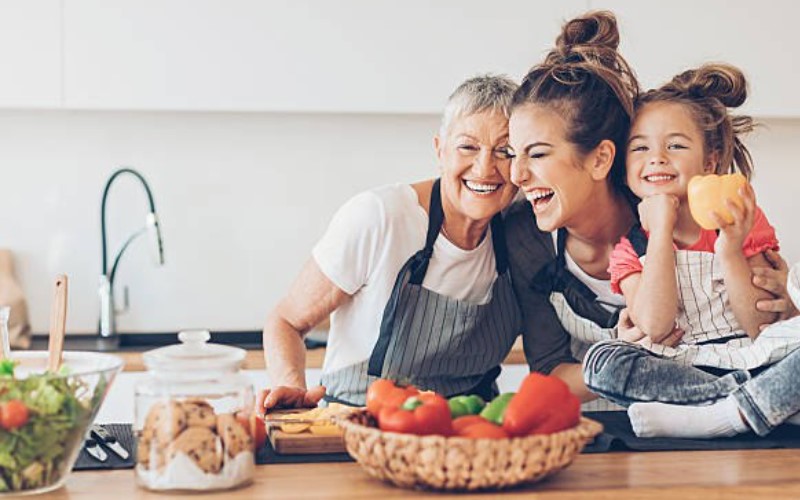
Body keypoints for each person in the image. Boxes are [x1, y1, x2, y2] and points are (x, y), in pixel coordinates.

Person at [503, 11, 797, 412]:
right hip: (618, 422)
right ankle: (729, 405)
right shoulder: (528, 237)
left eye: (537, 154)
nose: (516, 175)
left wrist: (786, 300)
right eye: (512, 154)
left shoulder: (680, 204)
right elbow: (551, 373)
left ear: (603, 159)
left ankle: (736, 405)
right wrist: (623, 347)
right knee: (606, 365)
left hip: (739, 378)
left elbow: (764, 323)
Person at [259, 75, 521, 411]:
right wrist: (291, 387)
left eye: (505, 151)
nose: (485, 168)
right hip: (357, 424)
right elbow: (286, 320)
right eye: (468, 147)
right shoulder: (380, 217)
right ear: (440, 150)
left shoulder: (525, 233)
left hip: (471, 431)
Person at [582, 63, 800, 438]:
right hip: (682, 368)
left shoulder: (740, 218)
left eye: (676, 145)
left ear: (710, 161)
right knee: (602, 361)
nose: (658, 157)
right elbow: (656, 325)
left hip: (751, 355)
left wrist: (730, 250)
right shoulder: (630, 249)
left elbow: (759, 328)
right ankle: (750, 404)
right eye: (641, 147)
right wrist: (661, 230)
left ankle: (724, 415)